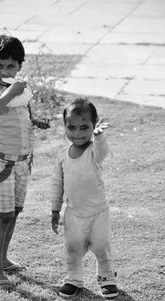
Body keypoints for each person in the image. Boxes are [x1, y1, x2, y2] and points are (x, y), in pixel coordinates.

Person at [0, 34, 50, 291]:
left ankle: (5, 259)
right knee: (3, 215)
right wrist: (10, 92)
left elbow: (26, 115)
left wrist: (37, 121)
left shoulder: (23, 90)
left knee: (15, 213)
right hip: (5, 165)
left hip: (24, 162)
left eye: (10, 66)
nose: (4, 70)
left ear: (19, 66)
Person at [51, 98, 118, 299]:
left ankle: (107, 279)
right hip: (73, 214)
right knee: (72, 249)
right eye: (71, 127)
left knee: (101, 246)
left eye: (84, 127)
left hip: (98, 213)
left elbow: (102, 151)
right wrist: (55, 210)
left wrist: (99, 137)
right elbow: (57, 184)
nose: (77, 133)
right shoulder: (62, 155)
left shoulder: (94, 151)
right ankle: (73, 279)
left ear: (93, 125)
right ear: (64, 126)